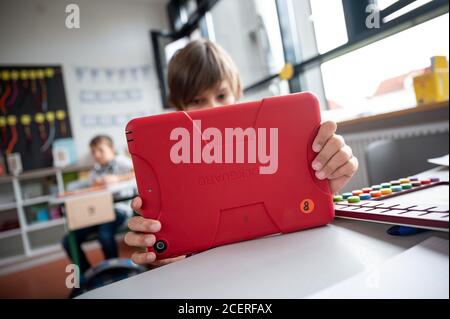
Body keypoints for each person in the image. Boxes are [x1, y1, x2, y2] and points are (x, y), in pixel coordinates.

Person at [125, 39, 358, 266]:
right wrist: (162, 258)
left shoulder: (273, 141)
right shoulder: (171, 168)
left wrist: (326, 178)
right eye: (197, 100)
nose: (212, 109)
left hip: (284, 259)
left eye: (221, 96)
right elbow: (170, 248)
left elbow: (298, 210)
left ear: (237, 91)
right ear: (179, 107)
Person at [62, 135, 135, 273]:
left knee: (104, 234)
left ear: (112, 149)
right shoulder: (95, 171)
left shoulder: (120, 161)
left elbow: (138, 170)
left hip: (119, 210)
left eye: (100, 150)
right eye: (94, 151)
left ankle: (115, 271)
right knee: (68, 240)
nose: (97, 155)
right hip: (98, 213)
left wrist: (116, 179)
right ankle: (88, 274)